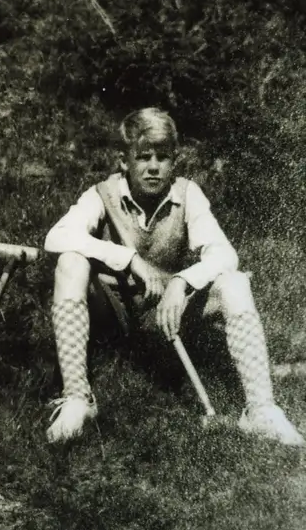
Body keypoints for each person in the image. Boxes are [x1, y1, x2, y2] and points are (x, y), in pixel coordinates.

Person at [43, 107, 304, 446]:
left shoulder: (186, 193)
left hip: (171, 312)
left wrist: (182, 282)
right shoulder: (102, 194)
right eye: (143, 157)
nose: (153, 167)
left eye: (163, 157)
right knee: (71, 262)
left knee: (234, 282)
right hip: (117, 312)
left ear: (174, 163)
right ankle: (78, 398)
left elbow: (225, 254)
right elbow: (56, 237)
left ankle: (261, 410)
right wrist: (129, 259)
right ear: (124, 161)